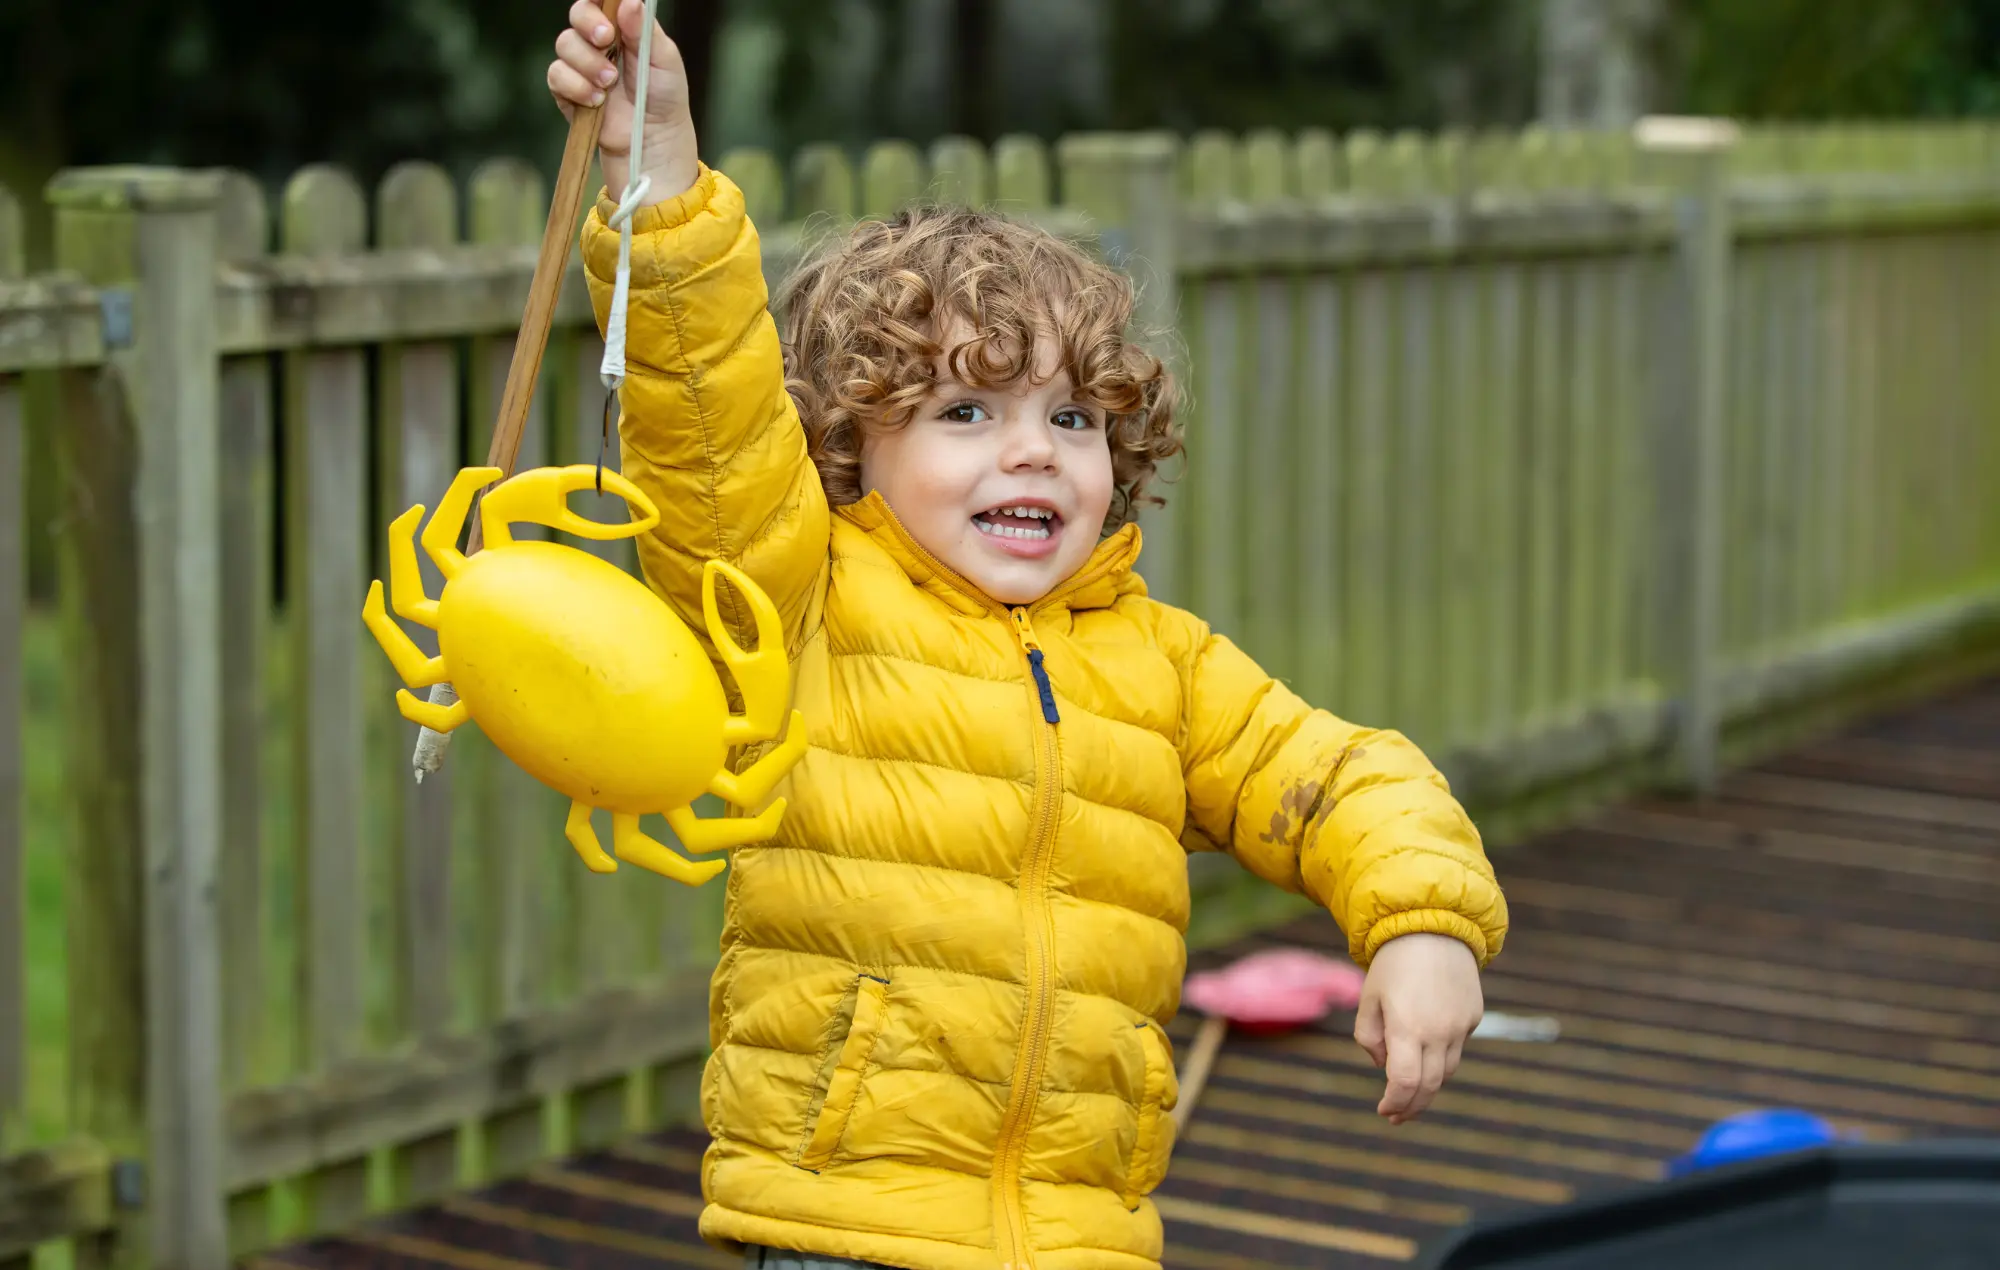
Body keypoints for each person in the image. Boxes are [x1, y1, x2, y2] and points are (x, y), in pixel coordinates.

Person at [548, 4, 1507, 1268]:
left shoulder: (1155, 660)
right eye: (963, 408)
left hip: (1076, 1235)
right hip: (845, 1223)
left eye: (1069, 416)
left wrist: (1421, 923)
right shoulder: (801, 598)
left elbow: (1344, 777)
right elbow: (707, 421)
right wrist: (658, 172)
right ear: (847, 443)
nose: (1030, 451)